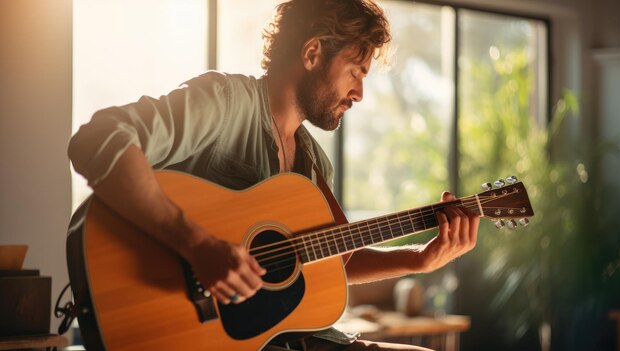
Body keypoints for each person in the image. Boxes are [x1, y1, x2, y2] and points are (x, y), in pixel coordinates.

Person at [68, 0, 479, 350]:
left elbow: (316, 261)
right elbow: (98, 139)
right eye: (355, 72)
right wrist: (197, 245)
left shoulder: (315, 163)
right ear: (313, 53)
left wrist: (418, 259)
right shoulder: (224, 103)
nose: (359, 94)